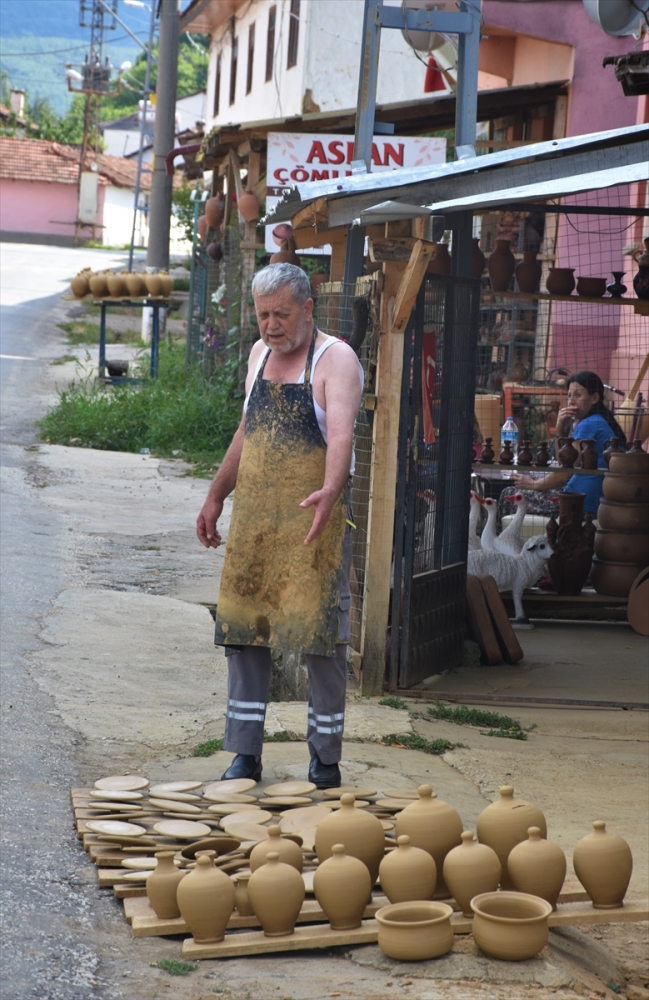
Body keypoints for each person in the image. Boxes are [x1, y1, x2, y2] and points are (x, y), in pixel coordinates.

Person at [196, 263, 364, 789]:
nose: (271, 325)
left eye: (282, 315)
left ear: (308, 309)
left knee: (321, 637)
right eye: (263, 314)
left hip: (314, 521)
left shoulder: (336, 360)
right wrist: (216, 494)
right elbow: (246, 430)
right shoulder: (259, 355)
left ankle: (325, 759)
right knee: (245, 632)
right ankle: (244, 754)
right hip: (255, 523)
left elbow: (342, 436)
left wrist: (331, 491)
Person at [506, 371, 627, 516]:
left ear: (594, 398)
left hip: (579, 504)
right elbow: (563, 462)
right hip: (589, 498)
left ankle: (503, 532)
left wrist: (534, 484)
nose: (571, 401)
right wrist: (559, 427)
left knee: (509, 494)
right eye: (569, 395)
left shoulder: (589, 424)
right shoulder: (598, 419)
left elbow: (564, 474)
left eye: (578, 395)